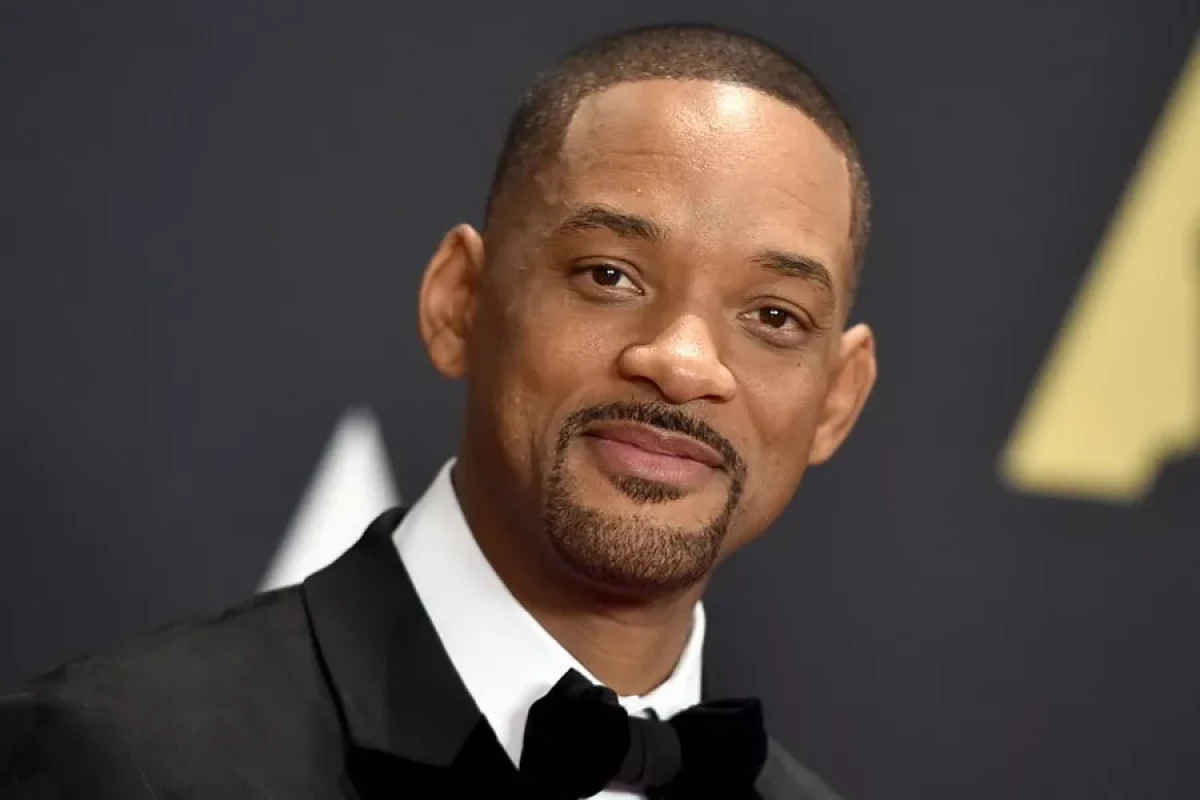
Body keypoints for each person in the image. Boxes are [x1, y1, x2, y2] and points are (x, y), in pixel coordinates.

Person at [0, 22, 876, 800]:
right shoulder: (120, 761)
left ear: (838, 398)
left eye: (774, 317)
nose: (683, 363)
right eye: (608, 275)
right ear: (459, 302)